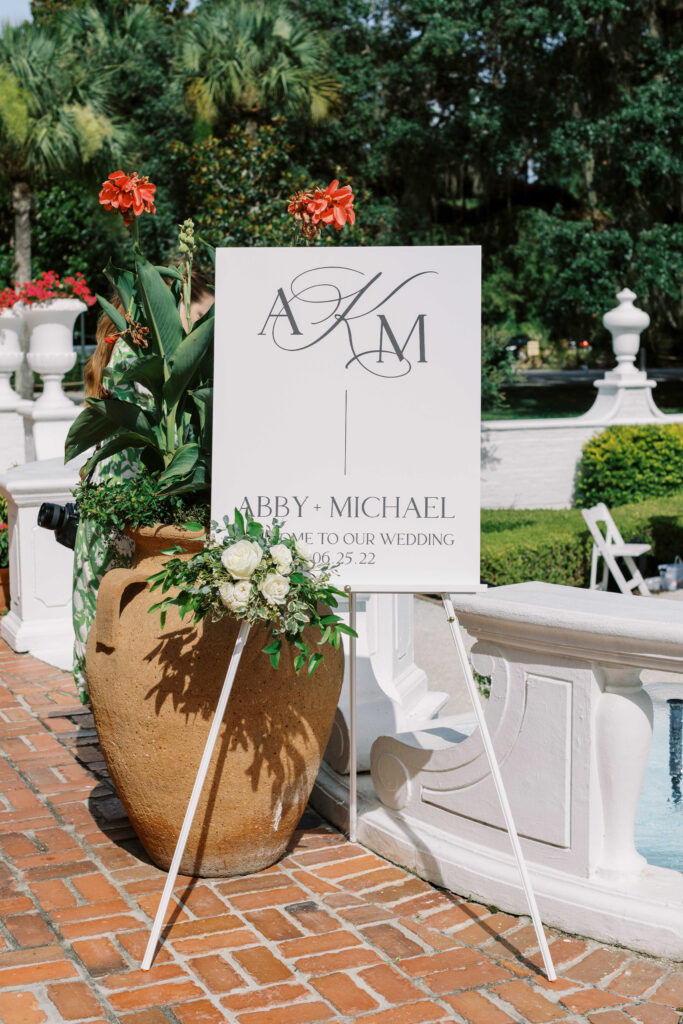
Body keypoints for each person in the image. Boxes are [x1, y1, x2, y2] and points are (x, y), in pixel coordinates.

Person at [71, 267, 214, 701]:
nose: (202, 333)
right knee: (124, 624)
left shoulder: (132, 359)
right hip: (131, 514)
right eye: (199, 319)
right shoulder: (141, 366)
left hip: (120, 506)